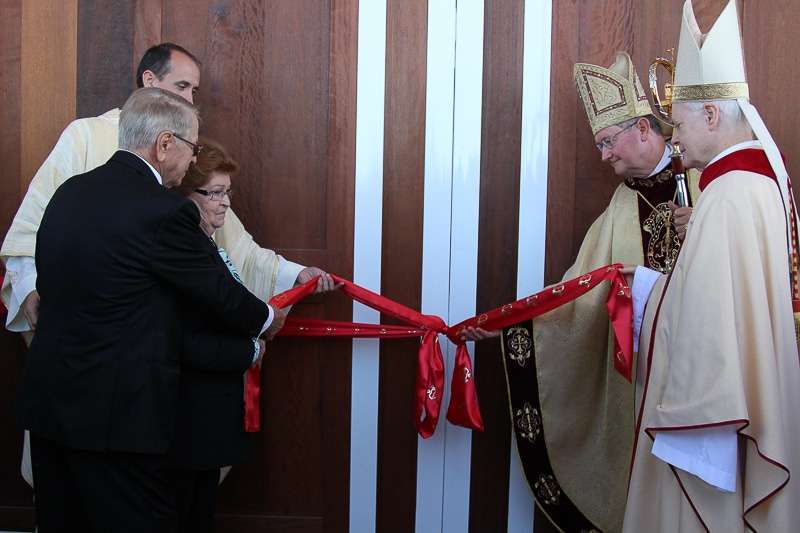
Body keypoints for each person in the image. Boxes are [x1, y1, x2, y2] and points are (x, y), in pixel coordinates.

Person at [4, 41, 332, 487]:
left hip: (72, 394)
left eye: (194, 90)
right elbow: (28, 237)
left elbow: (234, 246)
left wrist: (295, 276)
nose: (190, 99)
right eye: (182, 86)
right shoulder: (89, 141)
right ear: (149, 83)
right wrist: (30, 294)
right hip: (117, 400)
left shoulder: (83, 190)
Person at [16, 88, 279, 532]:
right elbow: (220, 296)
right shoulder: (164, 212)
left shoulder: (68, 195)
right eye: (192, 149)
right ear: (163, 144)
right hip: (116, 421)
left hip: (50, 407)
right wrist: (268, 320)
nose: (192, 161)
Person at [462, 52, 698, 532]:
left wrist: (707, 227)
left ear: (644, 129)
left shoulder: (706, 181)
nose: (603, 155)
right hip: (647, 382)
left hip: (704, 371)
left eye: (609, 141)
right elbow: (578, 290)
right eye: (599, 144)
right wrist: (514, 324)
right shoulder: (623, 203)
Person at [624, 1, 799, 531]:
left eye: (676, 123)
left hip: (719, 436)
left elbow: (703, 338)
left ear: (711, 113)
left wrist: (644, 298)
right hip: (759, 402)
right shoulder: (761, 182)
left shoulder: (725, 196)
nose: (672, 138)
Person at [168, 139, 265, 532]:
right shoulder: (183, 249)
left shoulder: (208, 242)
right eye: (215, 193)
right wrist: (249, 350)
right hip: (187, 418)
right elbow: (186, 339)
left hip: (207, 419)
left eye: (228, 193)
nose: (225, 203)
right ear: (184, 195)